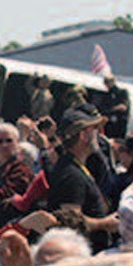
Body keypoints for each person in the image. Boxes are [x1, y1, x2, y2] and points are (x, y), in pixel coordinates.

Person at [46, 106, 117, 251]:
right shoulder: (71, 175)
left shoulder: (75, 168)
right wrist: (104, 223)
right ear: (84, 135)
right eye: (95, 129)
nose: (98, 134)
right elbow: (70, 223)